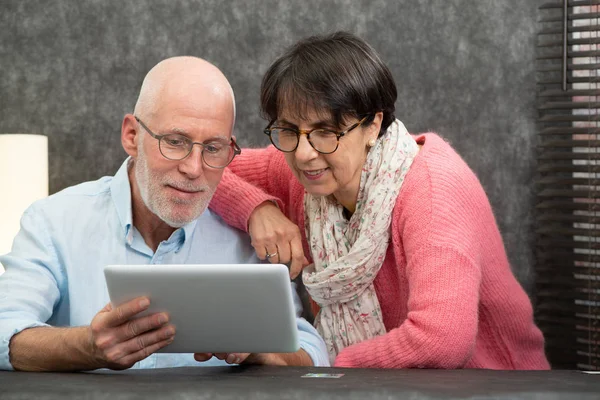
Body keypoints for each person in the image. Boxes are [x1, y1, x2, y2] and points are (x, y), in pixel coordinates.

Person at [209, 32, 551, 369]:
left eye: (326, 131)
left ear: (373, 124)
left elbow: (442, 340)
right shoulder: (308, 174)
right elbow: (200, 166)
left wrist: (327, 369)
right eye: (288, 130)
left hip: (495, 387)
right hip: (382, 389)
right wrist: (255, 209)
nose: (304, 154)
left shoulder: (433, 192)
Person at [0, 56, 329, 371]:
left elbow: (310, 350)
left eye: (213, 148)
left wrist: (262, 352)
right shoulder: (53, 221)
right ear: (132, 136)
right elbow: (5, 332)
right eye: (175, 141)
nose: (193, 168)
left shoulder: (250, 240)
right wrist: (87, 346)